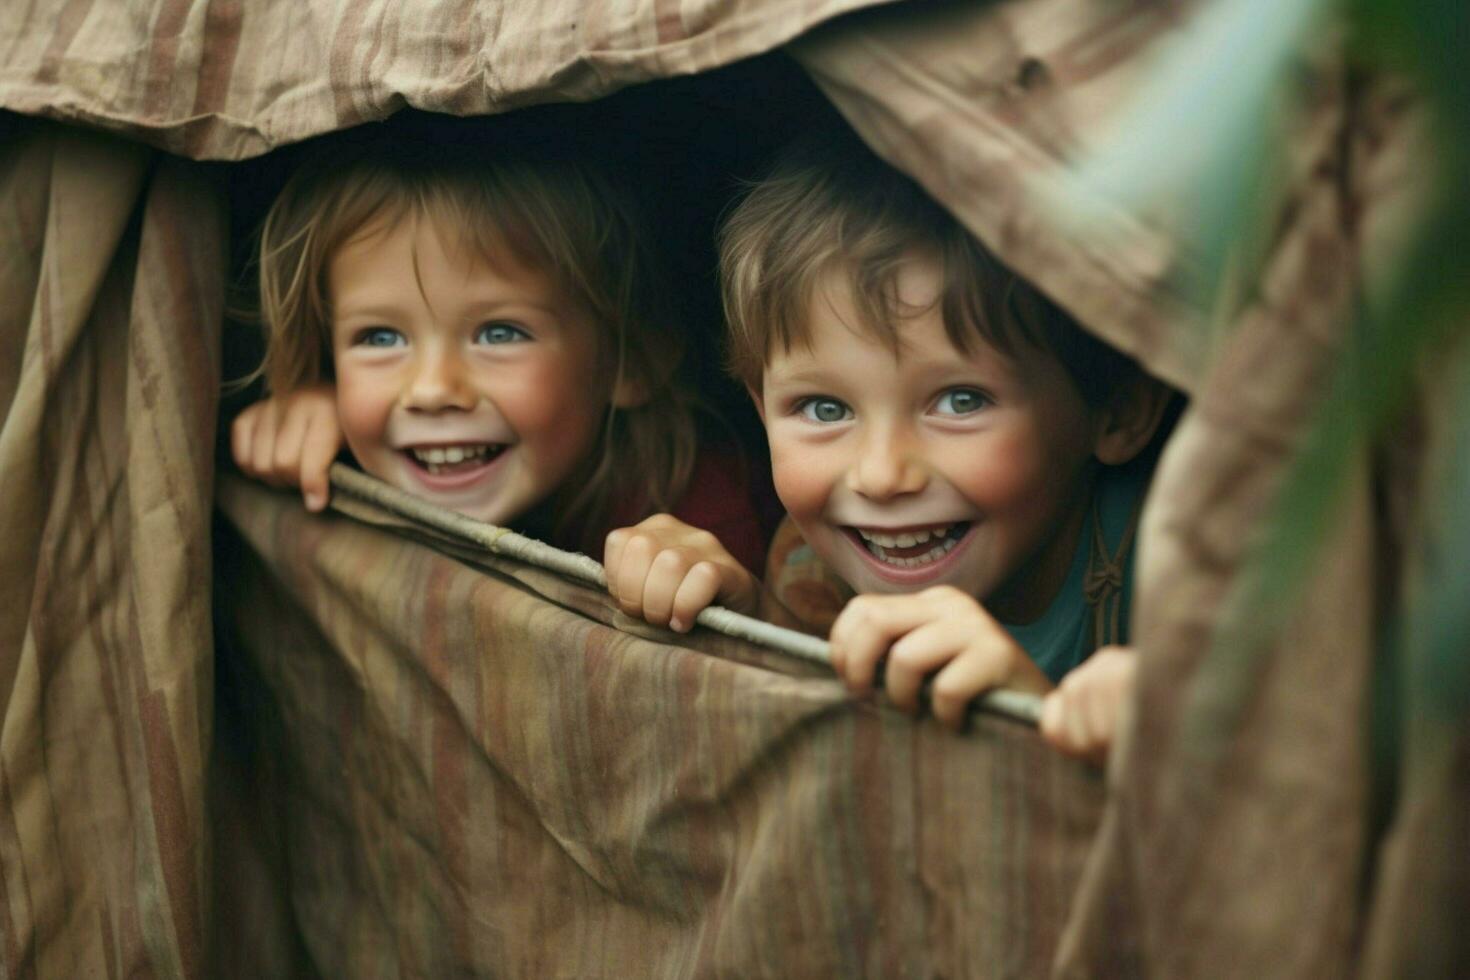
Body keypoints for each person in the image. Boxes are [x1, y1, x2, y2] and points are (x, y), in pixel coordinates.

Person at [604, 133, 1172, 761]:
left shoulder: (1176, 569)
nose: (878, 476)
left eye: (960, 401)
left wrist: (1039, 719)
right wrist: (750, 626)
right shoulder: (807, 567)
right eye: (824, 409)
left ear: (1118, 414)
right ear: (761, 411)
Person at [231, 131, 767, 569]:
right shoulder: (347, 444)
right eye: (380, 338)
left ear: (633, 362)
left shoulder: (700, 523)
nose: (432, 390)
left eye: (499, 333)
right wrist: (322, 425)